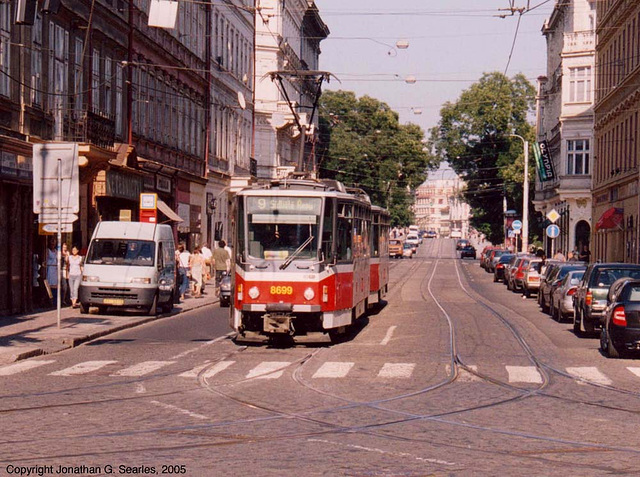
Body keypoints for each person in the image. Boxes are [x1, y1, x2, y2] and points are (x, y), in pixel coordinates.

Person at [45, 239, 58, 306]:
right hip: (50, 268)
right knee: (49, 284)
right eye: (52, 244)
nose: (53, 245)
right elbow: (46, 259)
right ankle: (50, 300)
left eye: (54, 244)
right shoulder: (48, 251)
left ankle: (55, 301)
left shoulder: (56, 251)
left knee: (55, 284)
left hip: (55, 268)